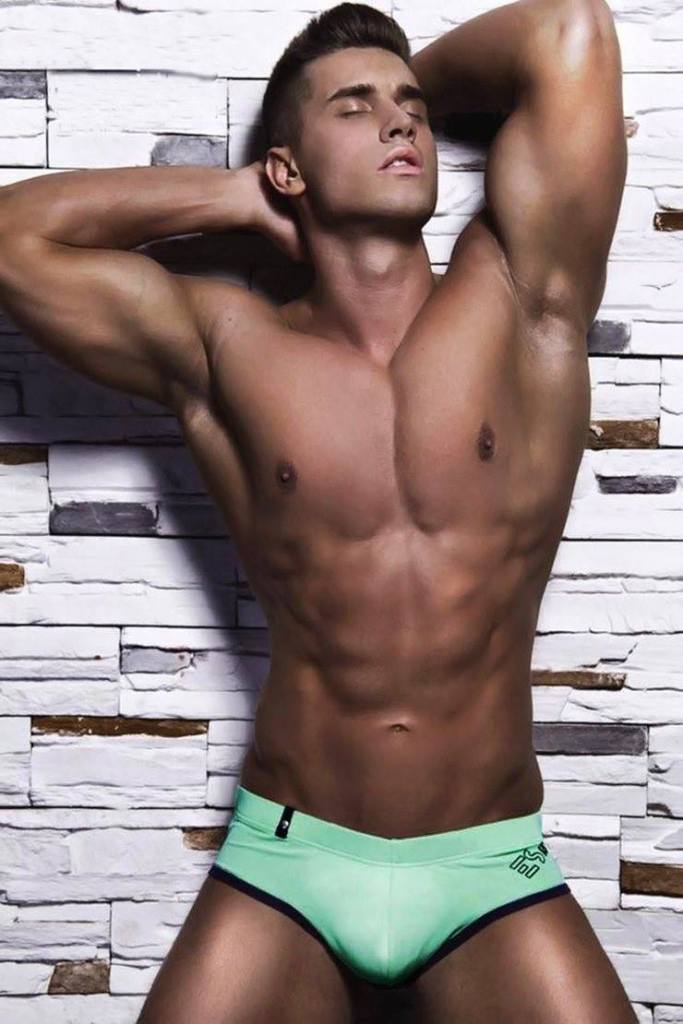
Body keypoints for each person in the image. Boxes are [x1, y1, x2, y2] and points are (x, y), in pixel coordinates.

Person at [0, 1, 633, 1020]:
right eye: (356, 107)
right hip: (288, 866)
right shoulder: (230, 342)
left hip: (490, 866)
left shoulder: (521, 298)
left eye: (409, 106)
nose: (400, 121)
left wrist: (388, 85)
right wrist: (241, 195)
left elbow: (569, 28)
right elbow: (12, 239)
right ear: (289, 167)